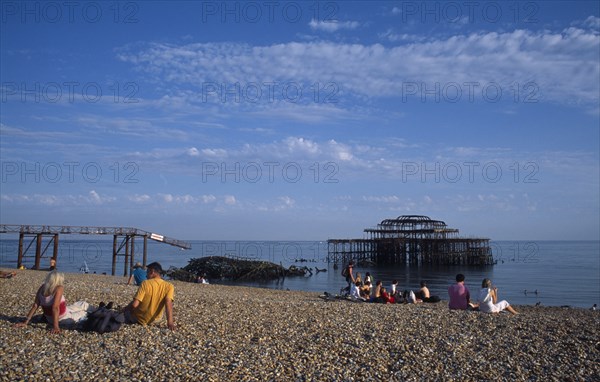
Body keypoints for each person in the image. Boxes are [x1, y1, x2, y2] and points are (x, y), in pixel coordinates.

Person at [14, 271, 91, 334]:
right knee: (84, 312)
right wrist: (56, 327)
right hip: (63, 317)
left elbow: (35, 305)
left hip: (52, 317)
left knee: (81, 304)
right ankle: (98, 311)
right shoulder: (59, 288)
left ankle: (98, 309)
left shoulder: (42, 287)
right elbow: (55, 308)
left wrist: (26, 322)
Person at [123, 262, 175, 330]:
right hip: (156, 320)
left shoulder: (145, 283)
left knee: (130, 307)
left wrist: (125, 310)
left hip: (139, 319)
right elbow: (168, 304)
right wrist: (170, 322)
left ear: (152, 272)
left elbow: (134, 305)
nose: (146, 275)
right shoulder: (169, 286)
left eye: (147, 272)